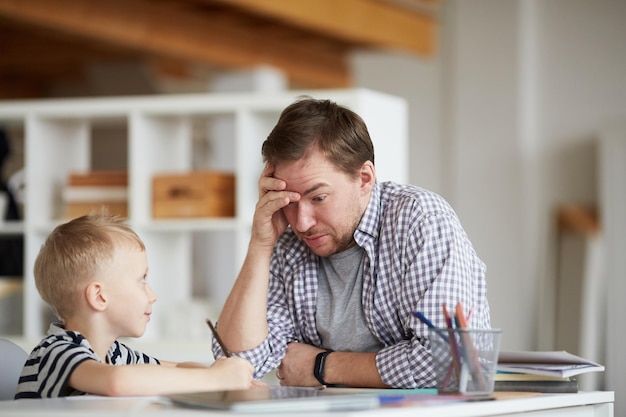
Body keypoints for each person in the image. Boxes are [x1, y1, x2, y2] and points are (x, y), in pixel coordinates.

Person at [214, 97, 491, 389]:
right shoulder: (286, 240)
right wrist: (260, 244)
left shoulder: (419, 219)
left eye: (318, 197)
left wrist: (322, 366)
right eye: (289, 202)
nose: (301, 222)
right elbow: (236, 363)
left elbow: (450, 362)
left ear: (364, 179)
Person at [15, 213, 254, 399]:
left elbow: (178, 367)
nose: (153, 295)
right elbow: (116, 382)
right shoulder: (57, 351)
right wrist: (216, 380)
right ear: (99, 296)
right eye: (142, 280)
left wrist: (224, 372)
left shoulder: (115, 354)